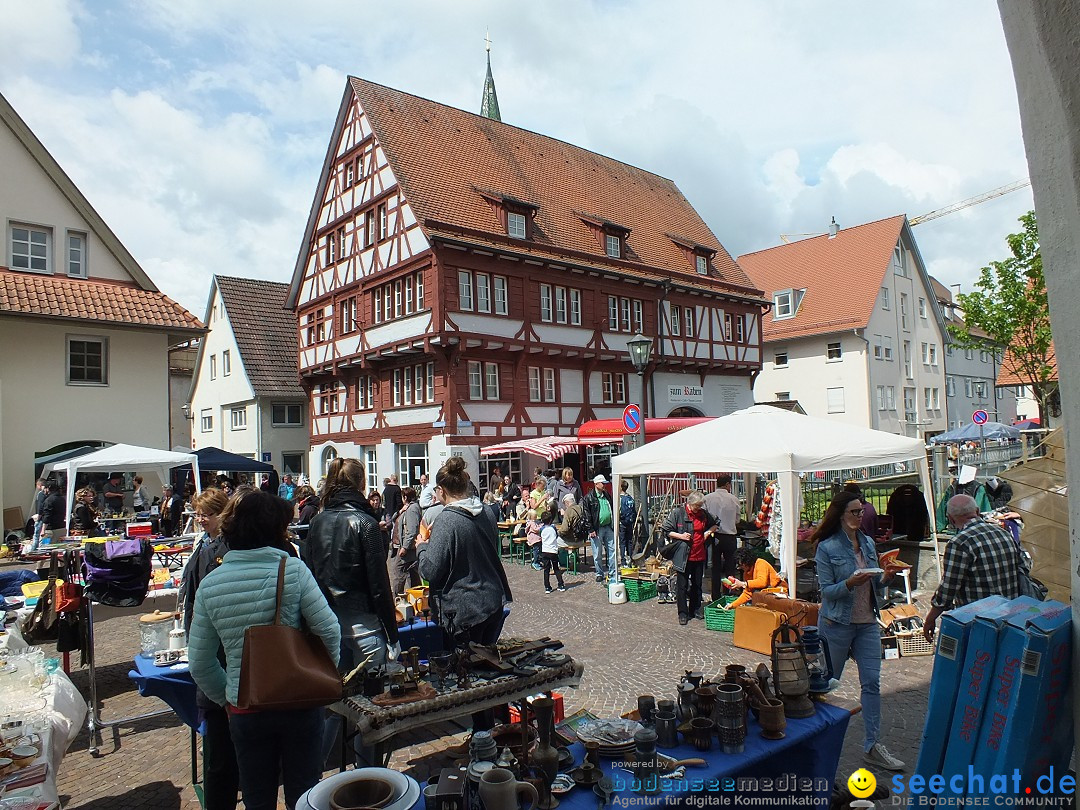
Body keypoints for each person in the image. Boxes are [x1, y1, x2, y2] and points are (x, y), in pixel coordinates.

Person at [188, 490, 340, 810]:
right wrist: (321, 676)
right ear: (275, 531)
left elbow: (199, 661)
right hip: (299, 699)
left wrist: (229, 698)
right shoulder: (293, 571)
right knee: (305, 793)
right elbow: (329, 630)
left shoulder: (211, 585)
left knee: (257, 795)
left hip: (247, 708)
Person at [304, 457, 400, 768]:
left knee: (334, 705)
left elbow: (311, 574)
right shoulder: (366, 523)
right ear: (361, 484)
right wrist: (392, 633)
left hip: (328, 623)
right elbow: (379, 584)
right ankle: (369, 776)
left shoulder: (317, 521)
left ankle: (315, 770)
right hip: (364, 625)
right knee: (371, 708)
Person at [812, 491, 907, 772]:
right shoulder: (827, 548)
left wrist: (886, 575)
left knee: (872, 683)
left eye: (861, 511)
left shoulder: (866, 542)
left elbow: (875, 586)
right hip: (836, 623)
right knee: (827, 683)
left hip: (867, 623)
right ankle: (816, 741)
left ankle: (872, 746)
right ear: (841, 513)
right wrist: (850, 583)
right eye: (854, 511)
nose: (860, 516)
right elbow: (827, 592)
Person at [417, 456, 512, 730]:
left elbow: (430, 571)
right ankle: (499, 732)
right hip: (491, 602)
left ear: (442, 491)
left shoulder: (448, 520)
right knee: (490, 670)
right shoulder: (486, 512)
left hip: (464, 610)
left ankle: (484, 740)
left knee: (471, 681)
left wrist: (423, 544)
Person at [178, 488, 239, 810]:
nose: (200, 520)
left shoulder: (224, 548)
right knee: (220, 748)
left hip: (220, 653)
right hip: (209, 648)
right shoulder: (204, 544)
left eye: (205, 514)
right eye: (197, 514)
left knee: (221, 752)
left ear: (222, 514)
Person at [922, 494, 1029, 642]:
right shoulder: (1004, 534)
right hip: (1010, 617)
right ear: (977, 511)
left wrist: (931, 618)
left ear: (951, 519)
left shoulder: (959, 543)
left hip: (979, 621)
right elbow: (1022, 569)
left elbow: (948, 588)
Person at [661, 491, 719, 625]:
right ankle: (682, 613)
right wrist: (681, 536)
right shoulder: (678, 513)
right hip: (684, 556)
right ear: (690, 504)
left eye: (700, 506)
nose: (698, 508)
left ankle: (695, 609)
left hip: (699, 555)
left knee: (697, 584)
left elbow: (716, 523)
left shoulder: (703, 514)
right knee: (682, 585)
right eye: (696, 506)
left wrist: (708, 532)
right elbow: (666, 530)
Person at [704, 474, 740, 597]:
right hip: (729, 536)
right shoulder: (734, 499)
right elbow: (737, 520)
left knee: (715, 568)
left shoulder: (707, 498)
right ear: (727, 484)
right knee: (730, 567)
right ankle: (729, 593)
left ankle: (715, 595)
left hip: (714, 536)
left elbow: (704, 517)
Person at [582, 474, 616, 583]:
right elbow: (587, 514)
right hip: (597, 529)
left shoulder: (606, 495)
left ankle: (612, 573)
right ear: (596, 484)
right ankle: (599, 573)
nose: (604, 485)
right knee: (597, 553)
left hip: (608, 527)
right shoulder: (589, 497)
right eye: (603, 483)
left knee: (612, 550)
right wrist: (590, 529)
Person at [389, 487, 422, 596]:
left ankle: (397, 599)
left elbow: (412, 531)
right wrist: (401, 510)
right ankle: (416, 600)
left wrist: (405, 547)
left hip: (408, 549)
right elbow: (394, 519)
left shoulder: (412, 509)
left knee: (398, 573)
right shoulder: (407, 508)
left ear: (405, 497)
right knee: (413, 575)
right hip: (406, 547)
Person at [539, 507, 566, 594]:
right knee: (556, 568)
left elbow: (540, 537)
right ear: (551, 520)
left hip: (545, 551)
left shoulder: (542, 529)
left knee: (546, 570)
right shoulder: (553, 528)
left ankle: (547, 587)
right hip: (553, 550)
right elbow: (556, 536)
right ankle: (561, 584)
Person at [617, 480, 636, 563]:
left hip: (622, 523)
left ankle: (623, 560)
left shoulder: (620, 499)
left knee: (622, 542)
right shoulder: (630, 498)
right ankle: (631, 558)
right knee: (630, 541)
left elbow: (618, 511)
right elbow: (634, 511)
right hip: (630, 522)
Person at [29, 477, 48, 551]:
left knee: (36, 536)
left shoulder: (40, 494)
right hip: (46, 517)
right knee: (43, 536)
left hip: (40, 518)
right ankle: (42, 550)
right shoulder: (47, 494)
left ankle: (33, 552)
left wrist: (38, 516)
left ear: (39, 485)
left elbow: (40, 506)